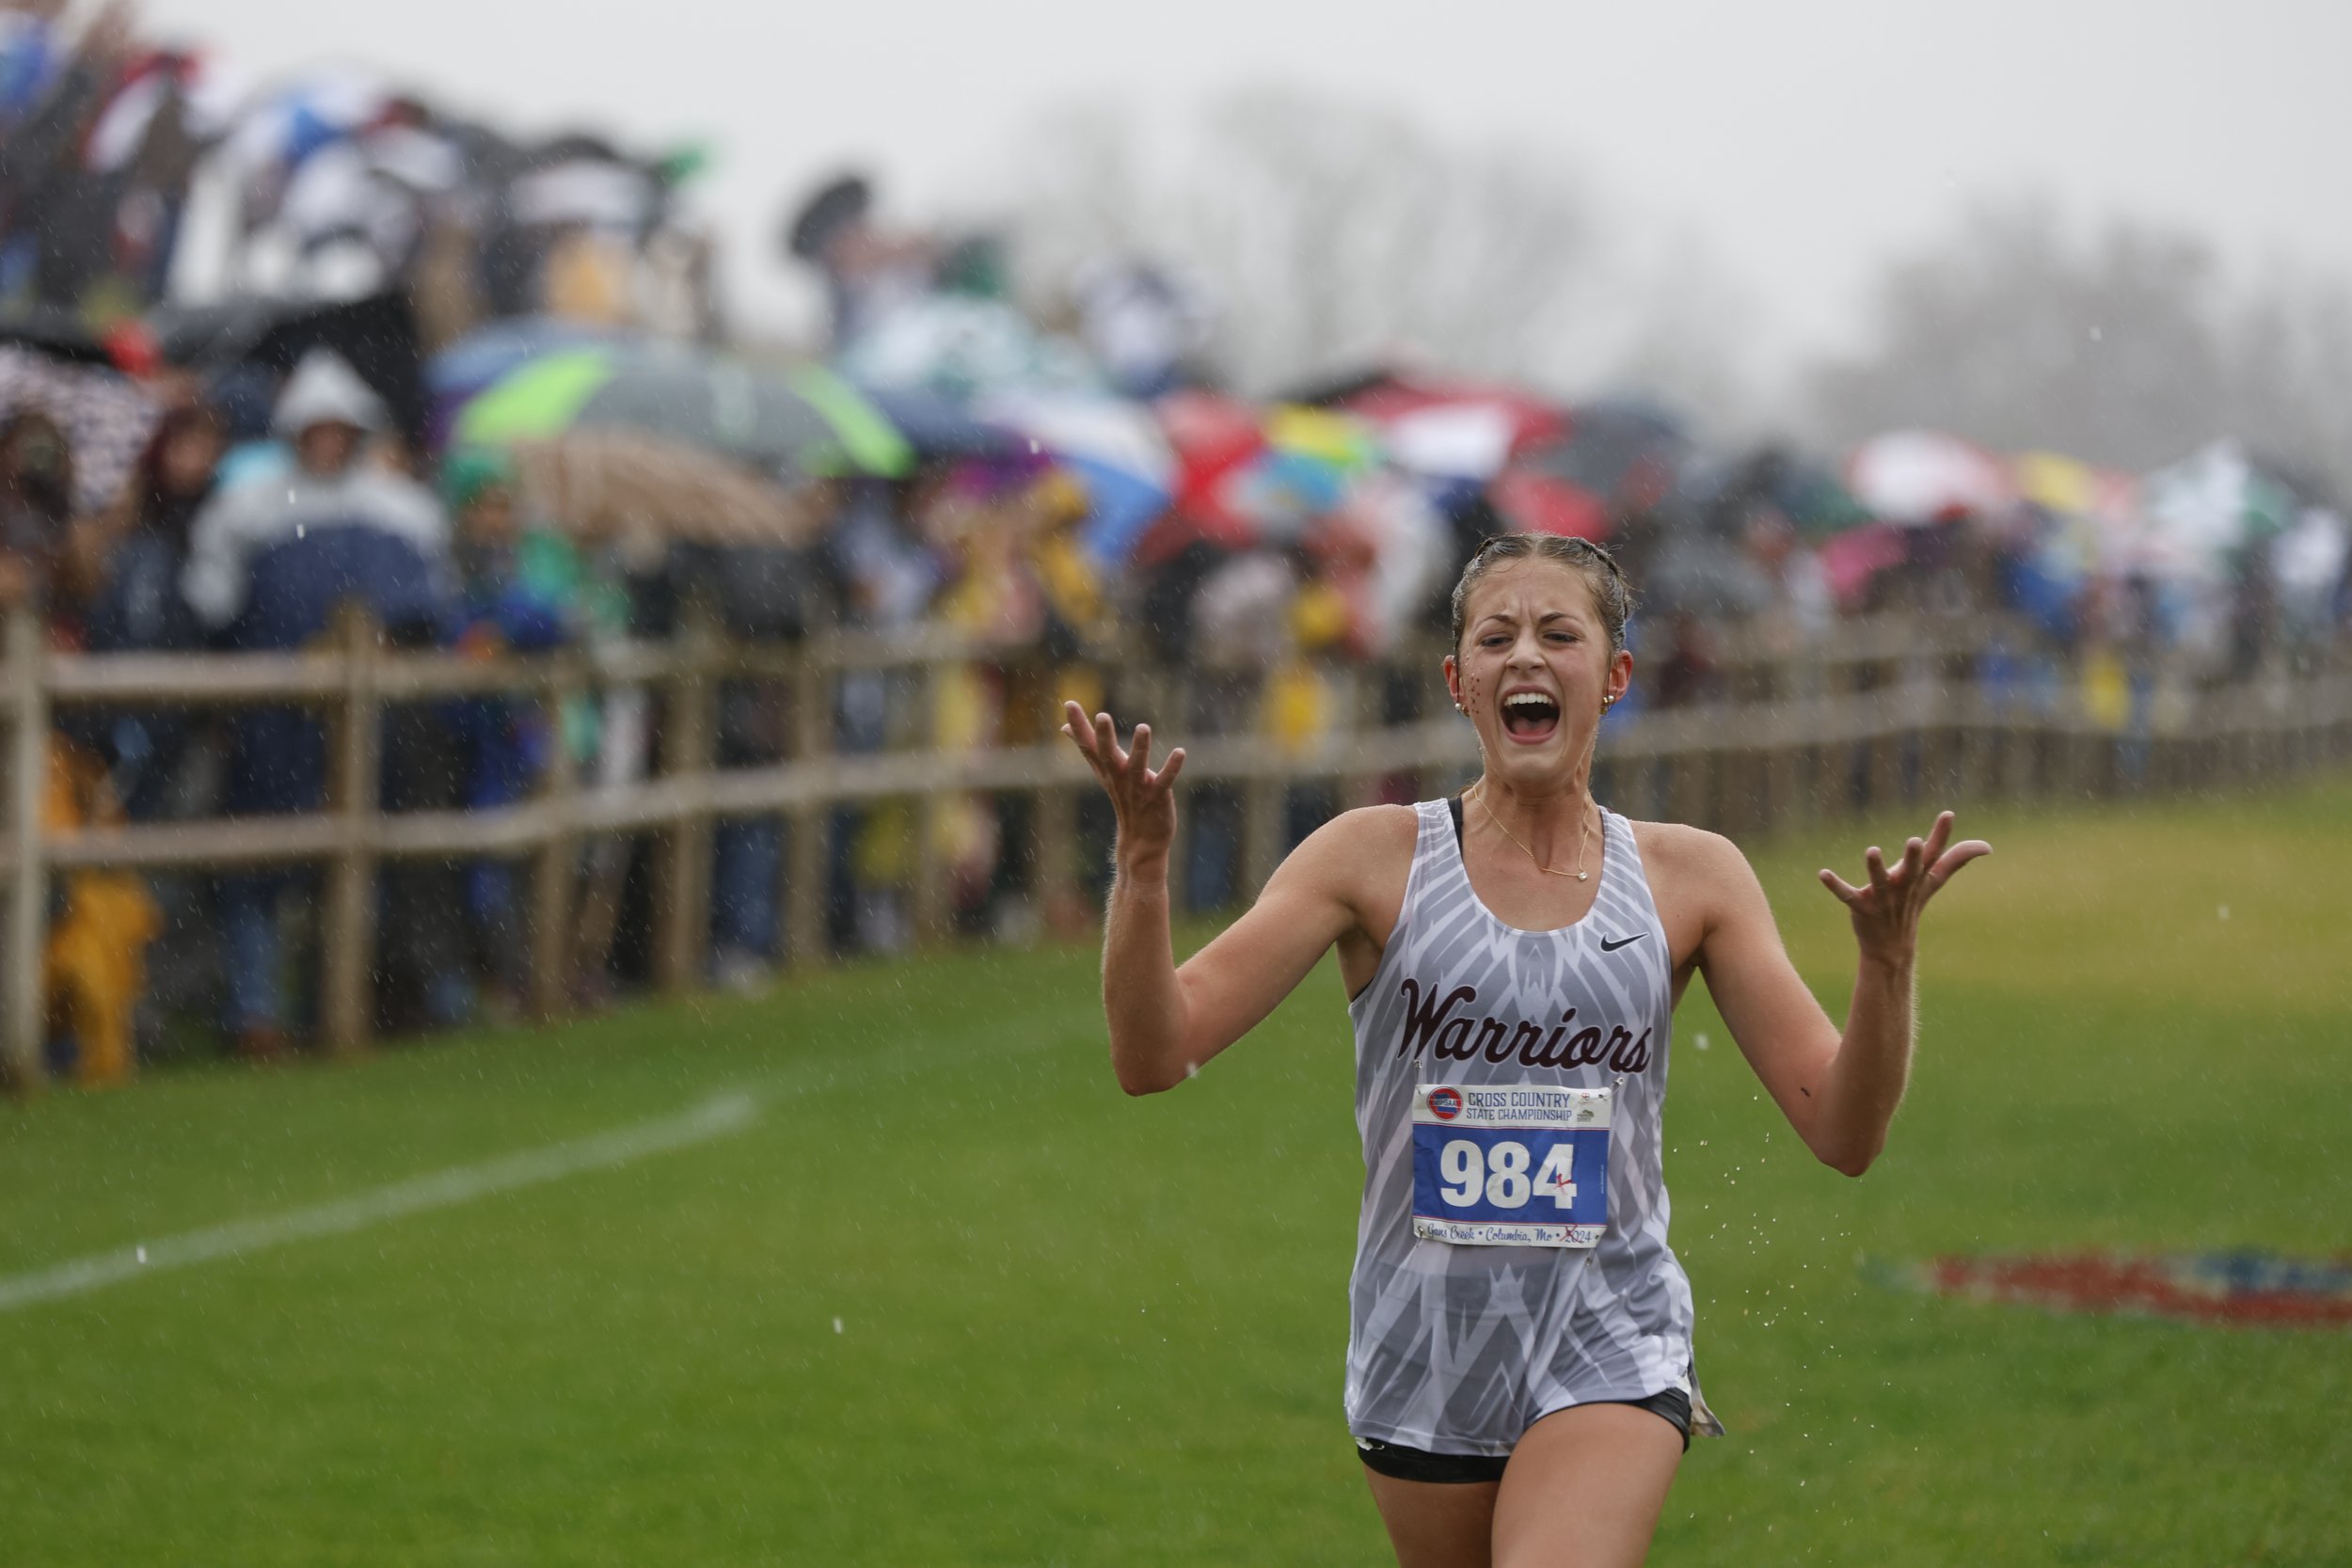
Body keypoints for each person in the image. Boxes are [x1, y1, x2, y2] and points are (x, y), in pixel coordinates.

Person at [1061, 531, 1989, 1568]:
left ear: (1615, 674)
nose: (1526, 657)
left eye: (1559, 633)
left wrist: (1886, 964)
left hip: (1613, 1330)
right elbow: (1155, 1051)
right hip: (1424, 1349)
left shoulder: (1694, 877)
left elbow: (1843, 1127)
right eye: (1495, 637)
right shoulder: (1370, 857)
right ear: (1459, 682)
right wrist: (1142, 870)